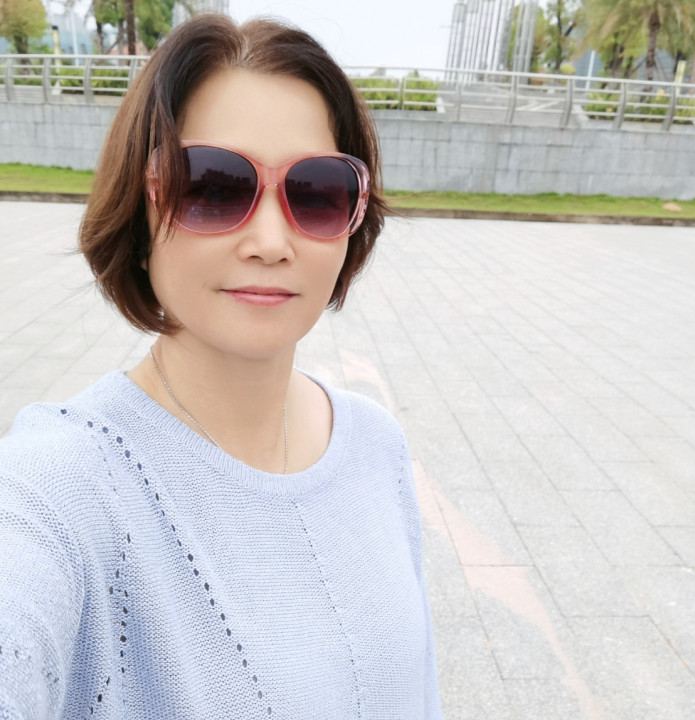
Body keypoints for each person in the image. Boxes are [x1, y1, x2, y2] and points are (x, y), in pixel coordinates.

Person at [0, 13, 443, 719]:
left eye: (317, 192)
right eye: (212, 186)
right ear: (139, 207)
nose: (270, 240)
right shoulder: (61, 490)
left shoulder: (376, 445)